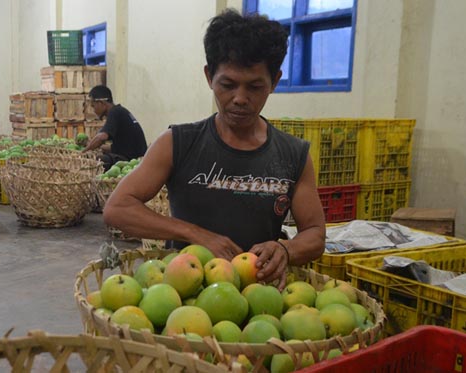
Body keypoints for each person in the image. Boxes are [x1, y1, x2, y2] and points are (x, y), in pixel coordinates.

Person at [103, 9, 325, 290]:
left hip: (258, 297)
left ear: (275, 82)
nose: (240, 99)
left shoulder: (294, 155)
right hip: (185, 298)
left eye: (255, 87)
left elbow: (316, 234)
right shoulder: (178, 143)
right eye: (227, 85)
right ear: (209, 77)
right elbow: (118, 209)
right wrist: (195, 234)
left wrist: (285, 249)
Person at [82, 85, 148, 171]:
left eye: (93, 106)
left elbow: (102, 137)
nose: (94, 110)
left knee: (95, 161)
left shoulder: (114, 112)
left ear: (101, 103)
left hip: (132, 161)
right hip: (135, 157)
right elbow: (120, 147)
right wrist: (95, 146)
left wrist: (83, 152)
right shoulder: (120, 111)